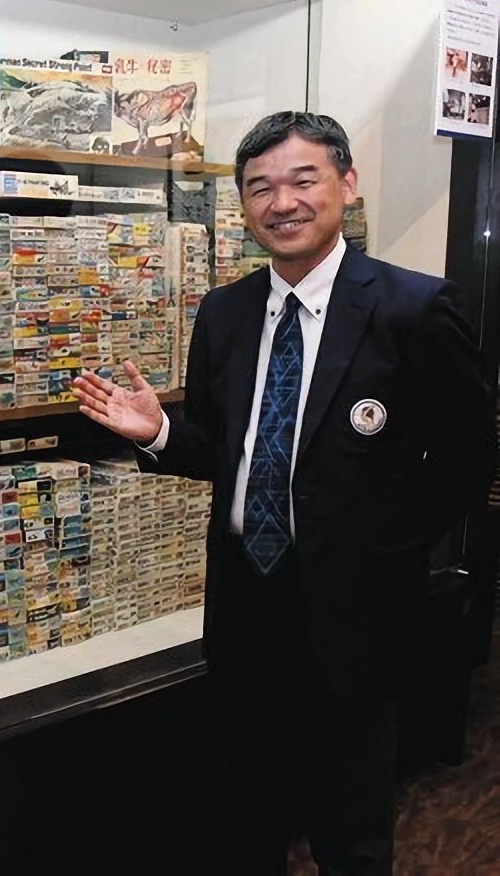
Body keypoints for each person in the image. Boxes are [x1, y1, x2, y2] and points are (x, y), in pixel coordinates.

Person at [73, 111, 492, 875]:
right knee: (244, 812)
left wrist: (380, 551)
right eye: (260, 187)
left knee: (351, 826)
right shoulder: (225, 312)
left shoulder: (414, 309)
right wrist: (157, 431)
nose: (282, 202)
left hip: (355, 610)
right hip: (246, 601)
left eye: (304, 180)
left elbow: (467, 461)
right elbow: (221, 451)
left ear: (346, 183)